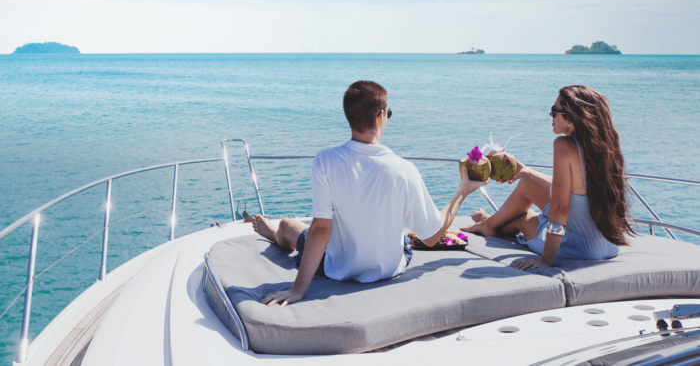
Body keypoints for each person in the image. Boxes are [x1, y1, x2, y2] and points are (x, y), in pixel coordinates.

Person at [251, 80, 488, 306]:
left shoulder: (325, 160)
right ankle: (276, 234)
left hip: (338, 268)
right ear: (380, 115)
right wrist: (462, 192)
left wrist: (297, 290)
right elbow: (432, 237)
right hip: (391, 267)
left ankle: (276, 234)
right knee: (403, 233)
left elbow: (321, 229)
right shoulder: (406, 170)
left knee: (287, 224)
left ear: (349, 117)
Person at [461, 85, 635, 270]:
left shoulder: (564, 145)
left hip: (578, 248)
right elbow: (576, 189)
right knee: (527, 182)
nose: (550, 116)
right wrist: (526, 171)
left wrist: (546, 260)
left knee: (524, 216)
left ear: (570, 116)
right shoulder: (605, 146)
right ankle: (489, 223)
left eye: (554, 111)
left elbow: (561, 208)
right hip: (608, 245)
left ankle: (489, 224)